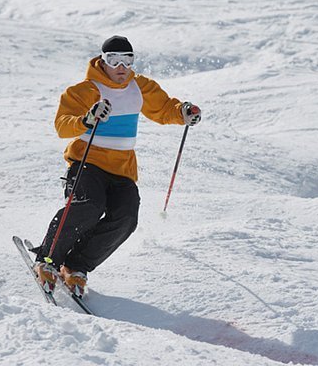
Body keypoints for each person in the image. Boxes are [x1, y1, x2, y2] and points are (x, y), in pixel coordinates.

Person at [33, 35, 202, 295]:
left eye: (127, 59)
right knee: (89, 206)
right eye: (114, 60)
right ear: (103, 61)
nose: (121, 67)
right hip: (87, 163)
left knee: (126, 218)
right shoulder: (83, 90)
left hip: (122, 169)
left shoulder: (140, 87)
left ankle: (76, 265)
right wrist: (87, 119)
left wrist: (183, 112)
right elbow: (62, 125)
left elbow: (164, 108)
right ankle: (48, 260)